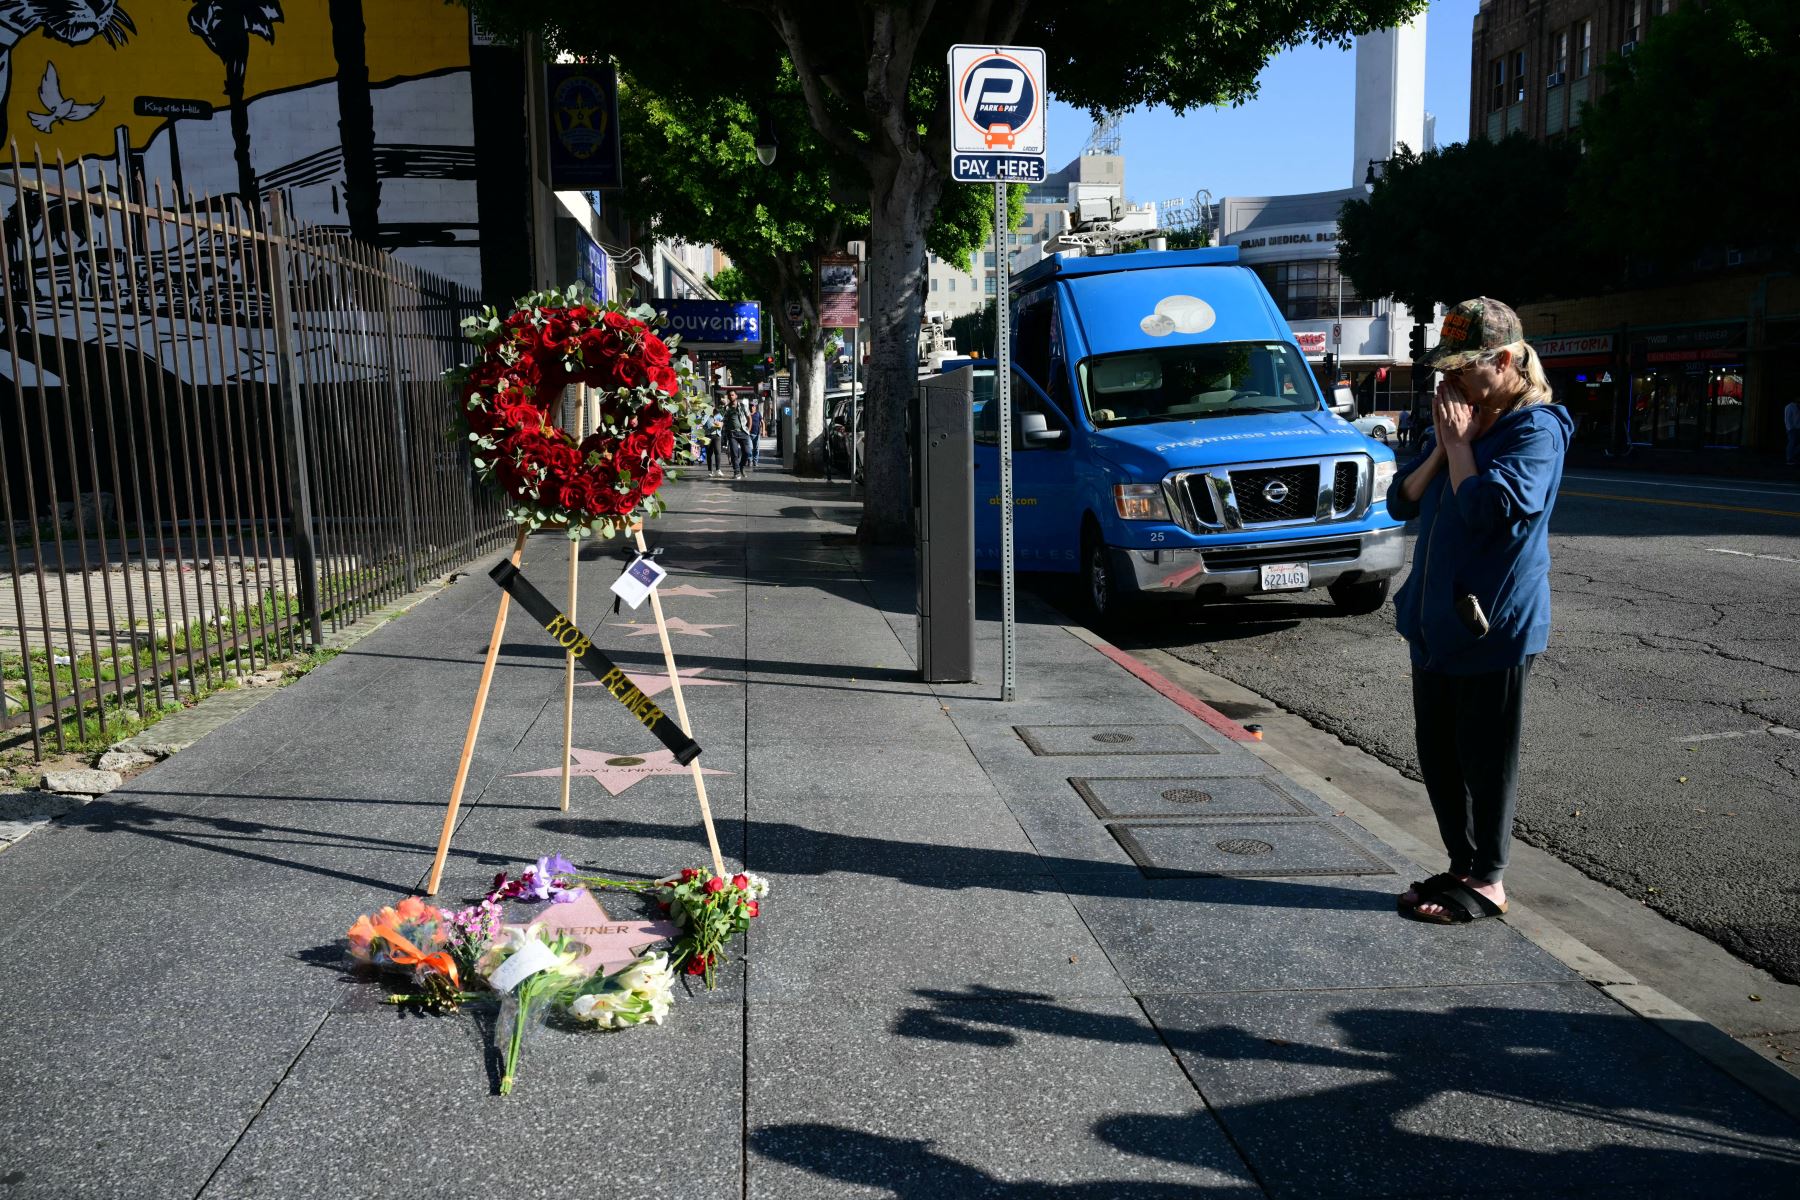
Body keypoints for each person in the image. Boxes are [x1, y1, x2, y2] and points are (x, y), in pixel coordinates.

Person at [1386, 297, 1574, 926]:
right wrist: (1445, 448)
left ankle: (1488, 879)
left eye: (1464, 367)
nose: (1452, 380)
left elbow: (1489, 511)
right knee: (1439, 756)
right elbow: (1401, 500)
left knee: (1485, 760)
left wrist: (1462, 446)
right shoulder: (1460, 423)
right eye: (1446, 368)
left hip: (1492, 625)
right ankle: (1461, 863)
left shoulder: (1535, 430)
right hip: (1434, 622)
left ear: (1505, 360)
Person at [723, 392, 753, 479]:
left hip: (743, 432)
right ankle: (736, 472)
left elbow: (749, 417)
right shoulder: (726, 408)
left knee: (747, 452)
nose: (731, 396)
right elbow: (724, 420)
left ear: (736, 396)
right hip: (732, 434)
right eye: (729, 395)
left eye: (732, 395)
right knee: (734, 453)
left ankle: (741, 466)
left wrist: (749, 430)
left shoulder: (743, 406)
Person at [703, 406, 725, 478]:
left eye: (712, 407)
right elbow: (702, 423)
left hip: (717, 435)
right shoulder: (705, 415)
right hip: (708, 435)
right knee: (709, 454)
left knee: (718, 452)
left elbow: (722, 423)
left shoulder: (718, 415)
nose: (711, 409)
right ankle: (710, 471)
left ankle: (718, 470)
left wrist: (719, 424)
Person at [1784, 396, 1800, 466]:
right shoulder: (1789, 407)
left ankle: (1792, 455)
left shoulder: (1798, 407)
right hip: (1792, 429)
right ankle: (1789, 459)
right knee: (1792, 444)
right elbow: (1787, 418)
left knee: (1794, 444)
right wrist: (1790, 429)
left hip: (1798, 428)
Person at [748, 401, 764, 469]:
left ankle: (755, 461)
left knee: (756, 449)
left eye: (753, 406)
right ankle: (749, 460)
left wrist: (763, 431)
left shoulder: (758, 414)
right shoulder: (747, 414)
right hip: (748, 434)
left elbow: (762, 422)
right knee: (749, 448)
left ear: (755, 407)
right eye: (751, 406)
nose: (752, 407)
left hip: (756, 434)